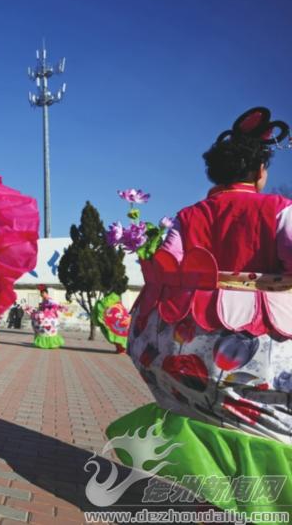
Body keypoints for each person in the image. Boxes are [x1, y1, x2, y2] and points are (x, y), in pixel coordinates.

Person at [113, 107, 292, 515]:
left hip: (188, 343)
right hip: (261, 347)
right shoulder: (279, 209)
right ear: (260, 170)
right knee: (267, 429)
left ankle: (213, 501)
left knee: (210, 420)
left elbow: (169, 266)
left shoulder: (188, 216)